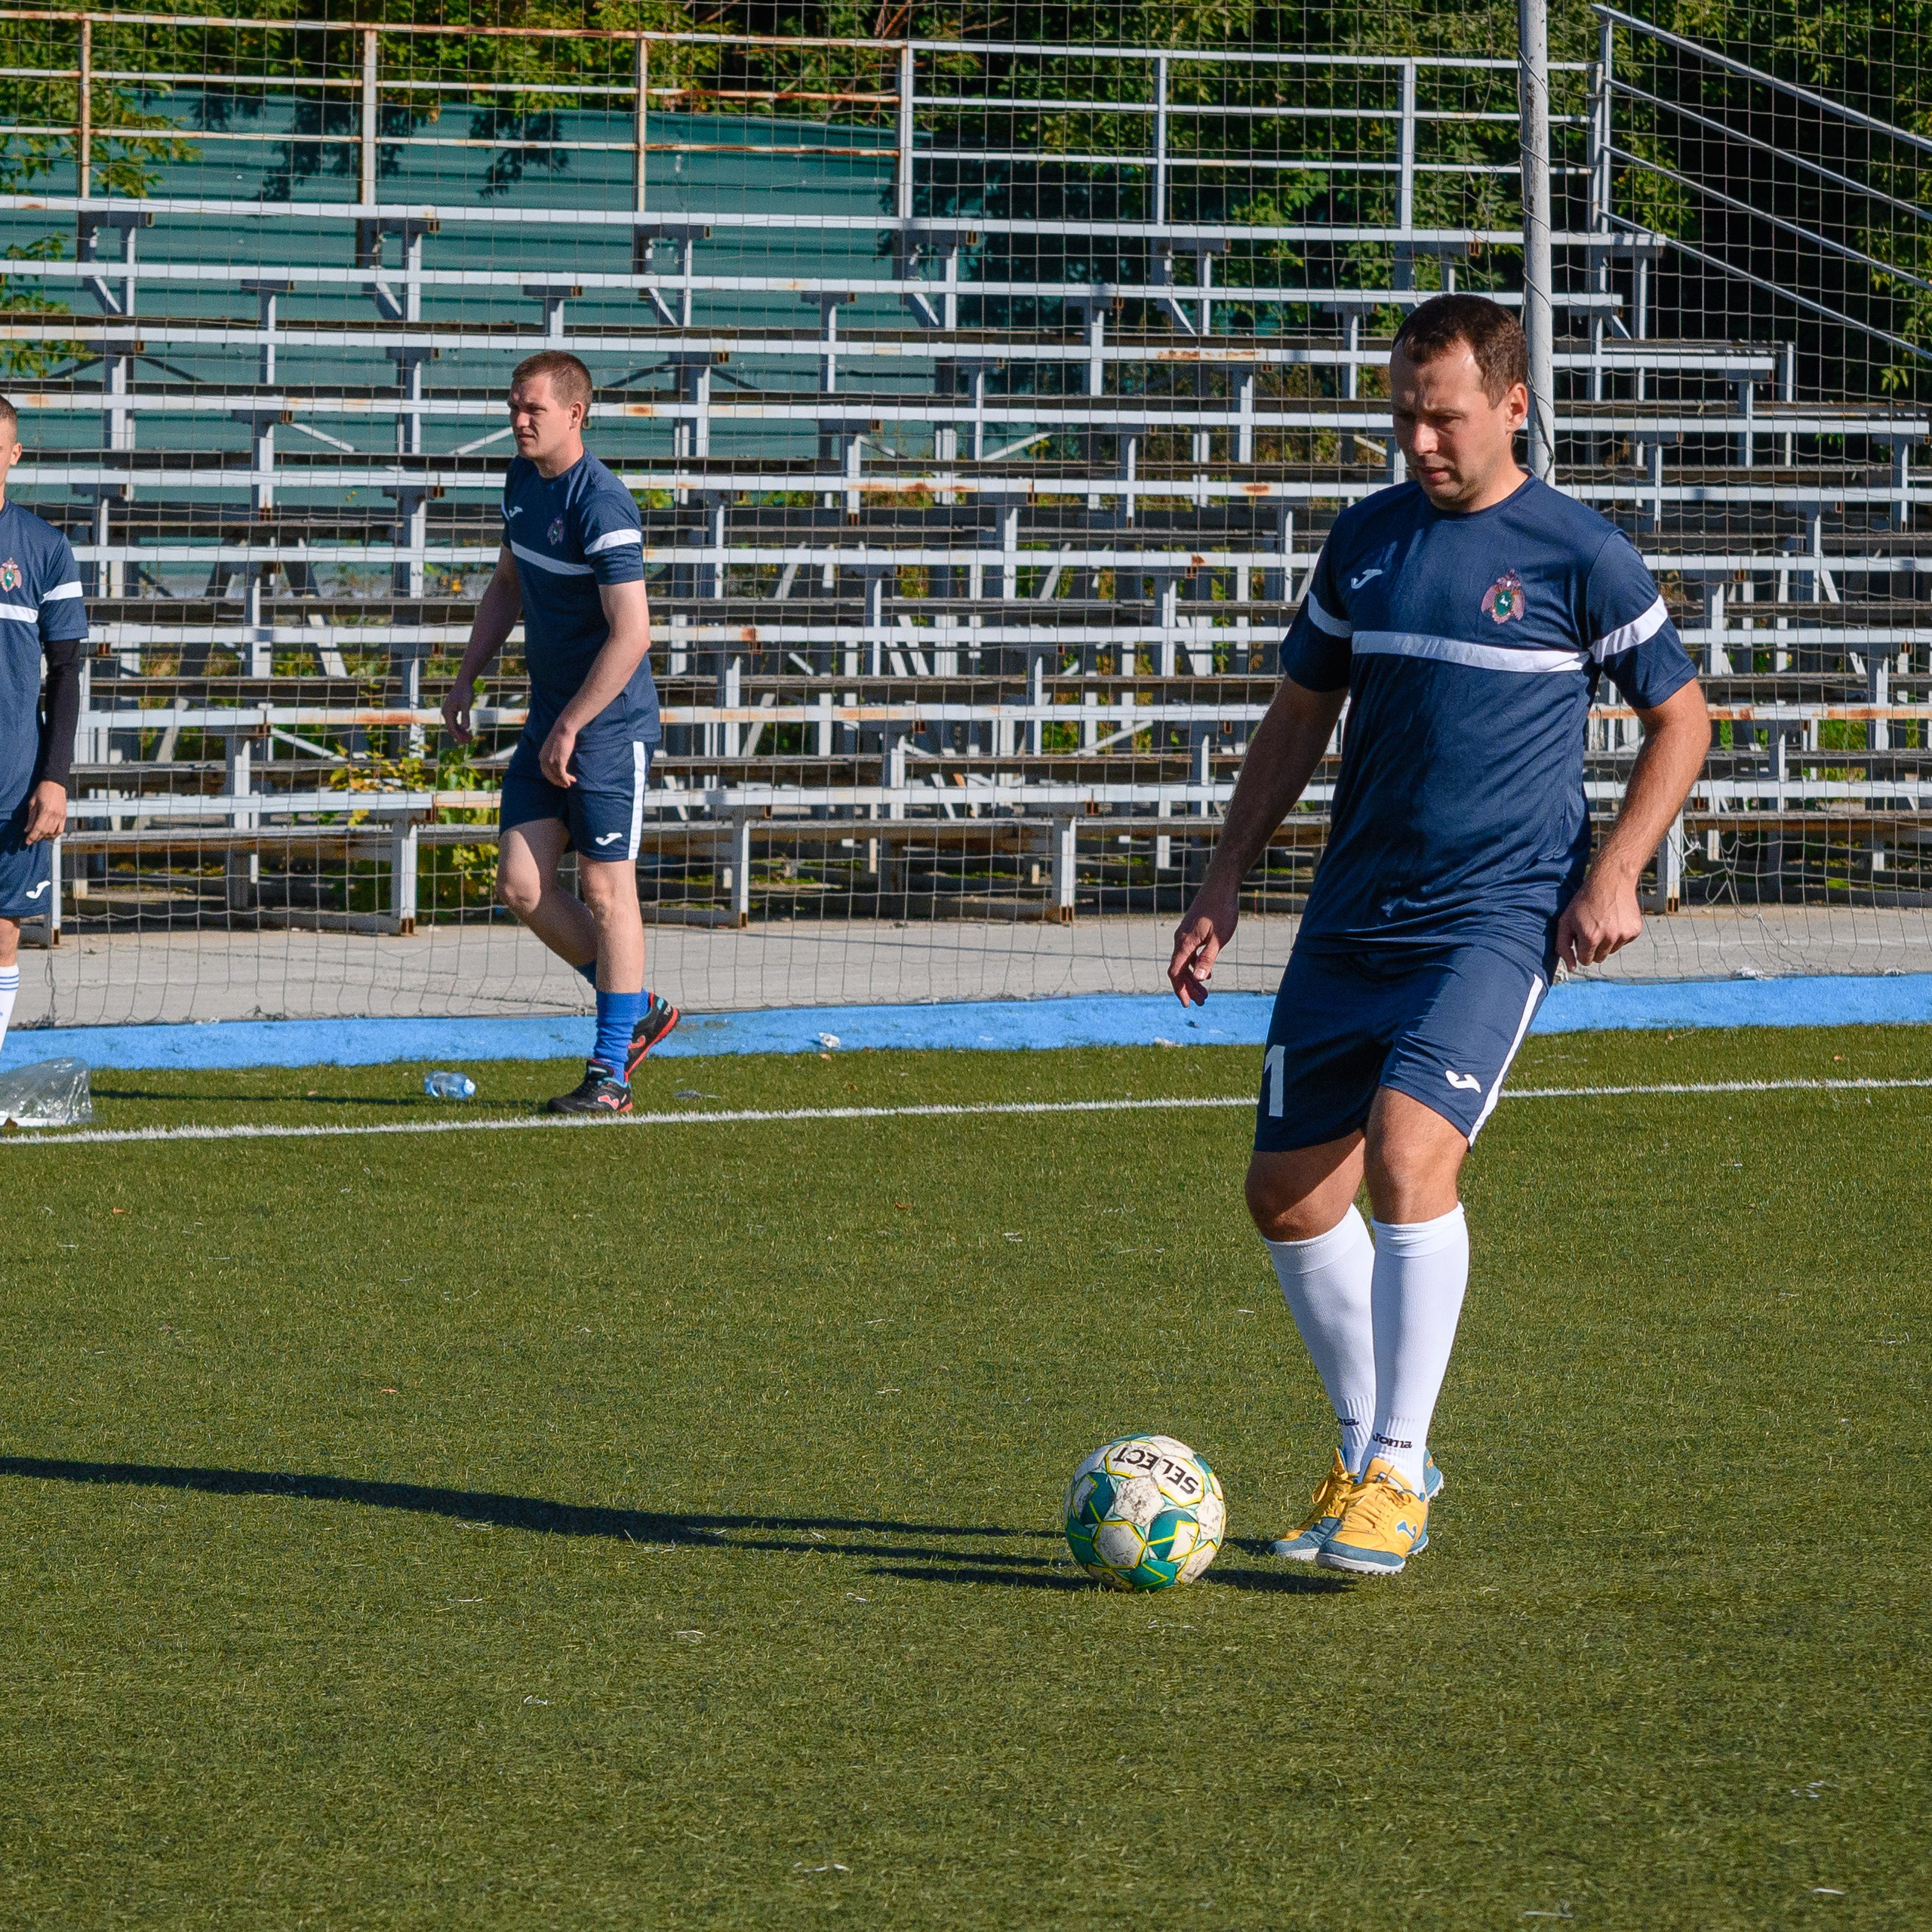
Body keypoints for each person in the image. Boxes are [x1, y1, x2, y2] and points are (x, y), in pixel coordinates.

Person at [1168, 294, 1711, 1576]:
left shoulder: (1582, 556)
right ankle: (1367, 1454)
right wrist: (1224, 877)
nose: (1418, 440)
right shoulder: (1364, 544)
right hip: (1352, 917)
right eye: (1404, 415)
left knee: (1411, 1160)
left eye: (1443, 416)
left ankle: (1400, 1475)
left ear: (1513, 407)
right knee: (1290, 1196)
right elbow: (1297, 718)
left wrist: (1617, 872)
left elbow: (1682, 719)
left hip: (1495, 914)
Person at [442, 350, 678, 1115]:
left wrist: (575, 722)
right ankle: (635, 1006)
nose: (518, 420)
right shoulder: (519, 483)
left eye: (532, 408)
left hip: (607, 728)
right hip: (552, 719)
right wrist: (466, 673)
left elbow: (633, 632)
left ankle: (610, 1073)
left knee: (608, 893)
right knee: (519, 884)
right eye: (513, 406)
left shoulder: (602, 504)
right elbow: (508, 583)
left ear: (576, 414)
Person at [0, 395, 86, 1058]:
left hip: (12, 777)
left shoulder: (45, 549)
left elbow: (66, 674)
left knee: (2, 933)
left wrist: (54, 778)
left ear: (13, 455)